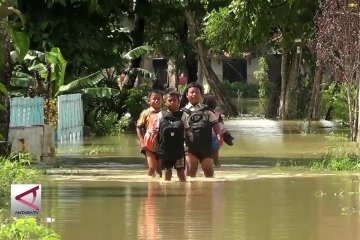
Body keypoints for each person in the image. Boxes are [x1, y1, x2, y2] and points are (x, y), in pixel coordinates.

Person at [181, 82, 222, 178]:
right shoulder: (182, 112)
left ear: (201, 95)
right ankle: (190, 191)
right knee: (191, 170)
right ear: (187, 95)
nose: (194, 94)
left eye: (197, 92)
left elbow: (215, 124)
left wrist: (219, 135)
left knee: (209, 172)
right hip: (189, 147)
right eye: (191, 92)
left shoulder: (207, 111)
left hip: (205, 147)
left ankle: (206, 192)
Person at [156, 90, 189, 181]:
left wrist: (189, 144)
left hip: (179, 149)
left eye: (174, 100)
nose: (172, 102)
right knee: (167, 172)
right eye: (170, 100)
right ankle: (167, 191)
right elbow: (156, 131)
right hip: (165, 150)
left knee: (181, 173)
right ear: (165, 102)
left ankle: (183, 191)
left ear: (179, 102)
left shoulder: (183, 115)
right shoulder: (160, 115)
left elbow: (187, 129)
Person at [136, 90, 163, 177]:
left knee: (159, 170)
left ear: (162, 101)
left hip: (161, 144)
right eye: (154, 99)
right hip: (148, 144)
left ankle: (158, 188)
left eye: (159, 99)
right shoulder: (146, 113)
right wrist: (141, 141)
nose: (156, 101)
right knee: (152, 167)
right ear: (149, 101)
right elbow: (139, 127)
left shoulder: (165, 113)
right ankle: (150, 185)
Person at [202, 94, 224, 167]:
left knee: (203, 158)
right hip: (215, 137)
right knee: (216, 160)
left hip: (203, 137)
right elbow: (222, 126)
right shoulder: (217, 114)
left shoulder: (201, 113)